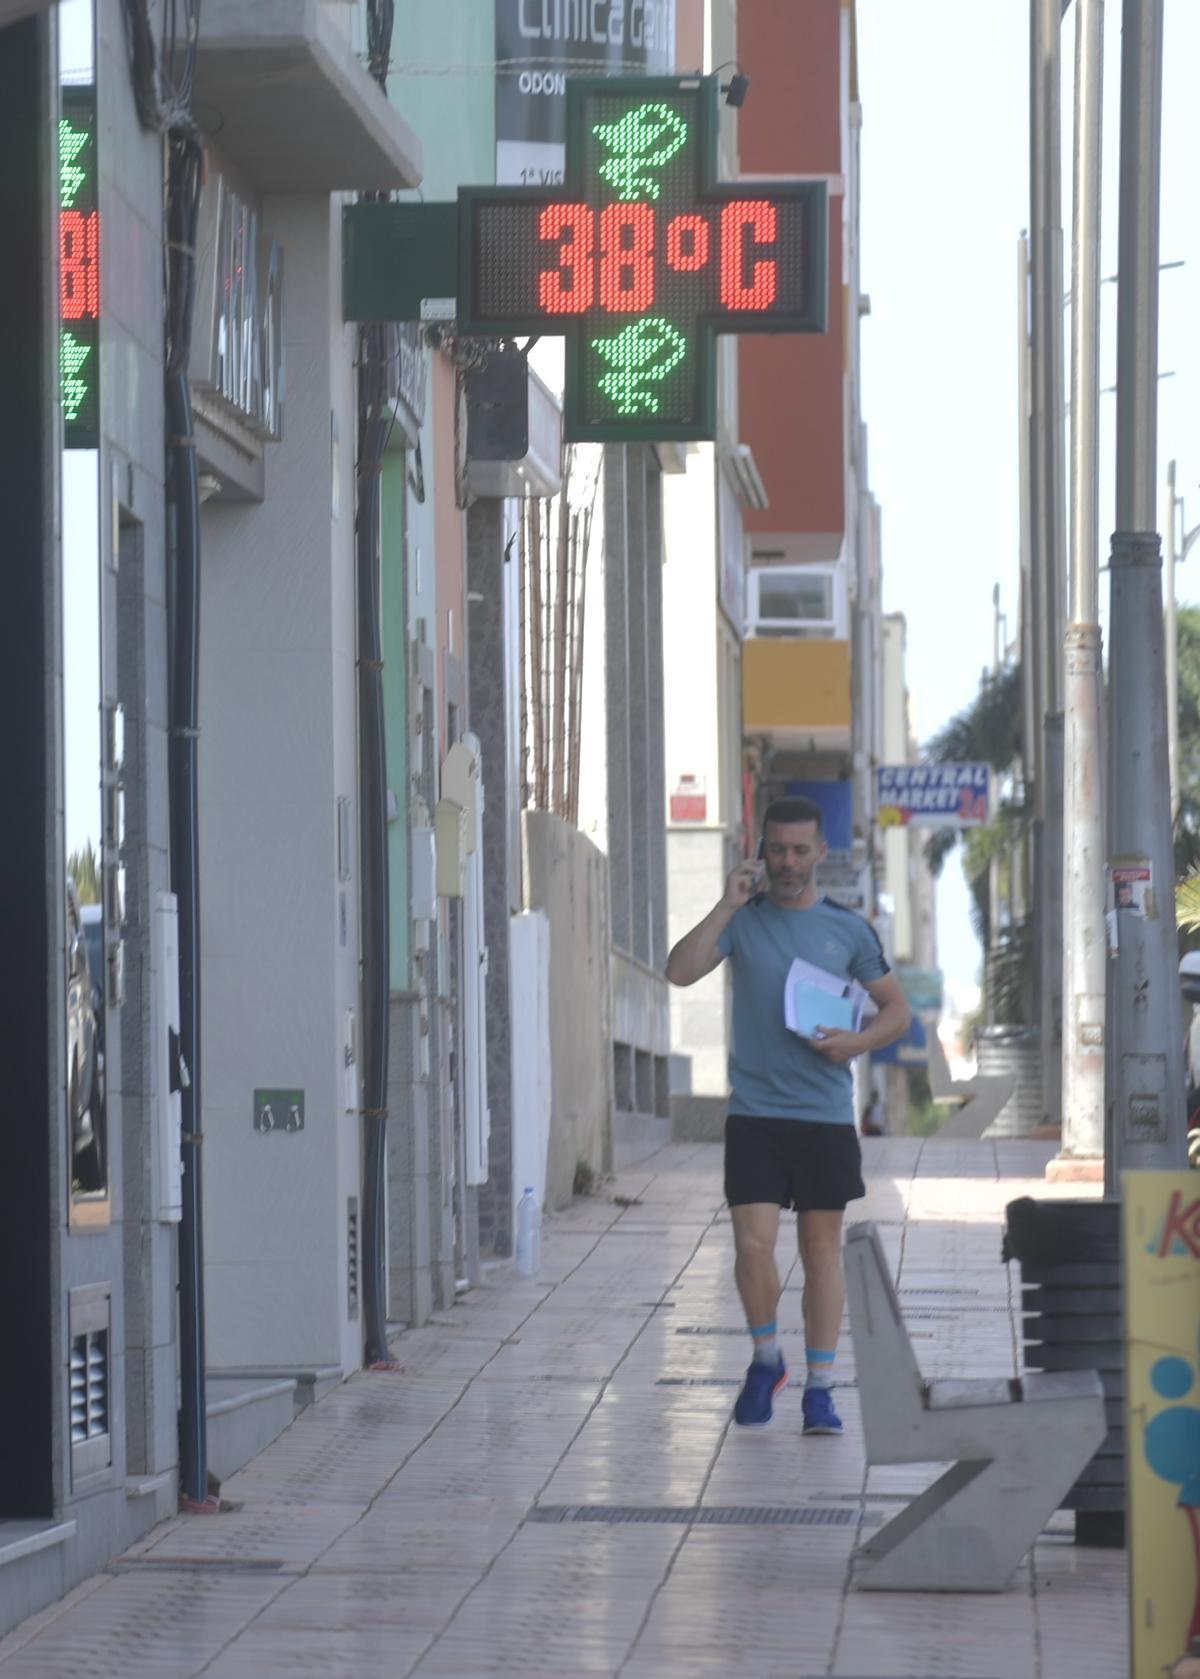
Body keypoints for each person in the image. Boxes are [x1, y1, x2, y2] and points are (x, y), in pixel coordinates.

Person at [665, 797, 911, 1435]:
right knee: (752, 1246)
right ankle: (766, 1357)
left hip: (824, 1117)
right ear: (761, 849)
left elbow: (896, 1012)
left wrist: (855, 1043)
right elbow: (679, 971)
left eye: (801, 850)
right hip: (755, 1114)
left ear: (821, 854)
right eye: (778, 849)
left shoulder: (850, 930)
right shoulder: (743, 921)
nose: (789, 862)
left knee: (821, 1252)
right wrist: (725, 903)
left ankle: (821, 1389)